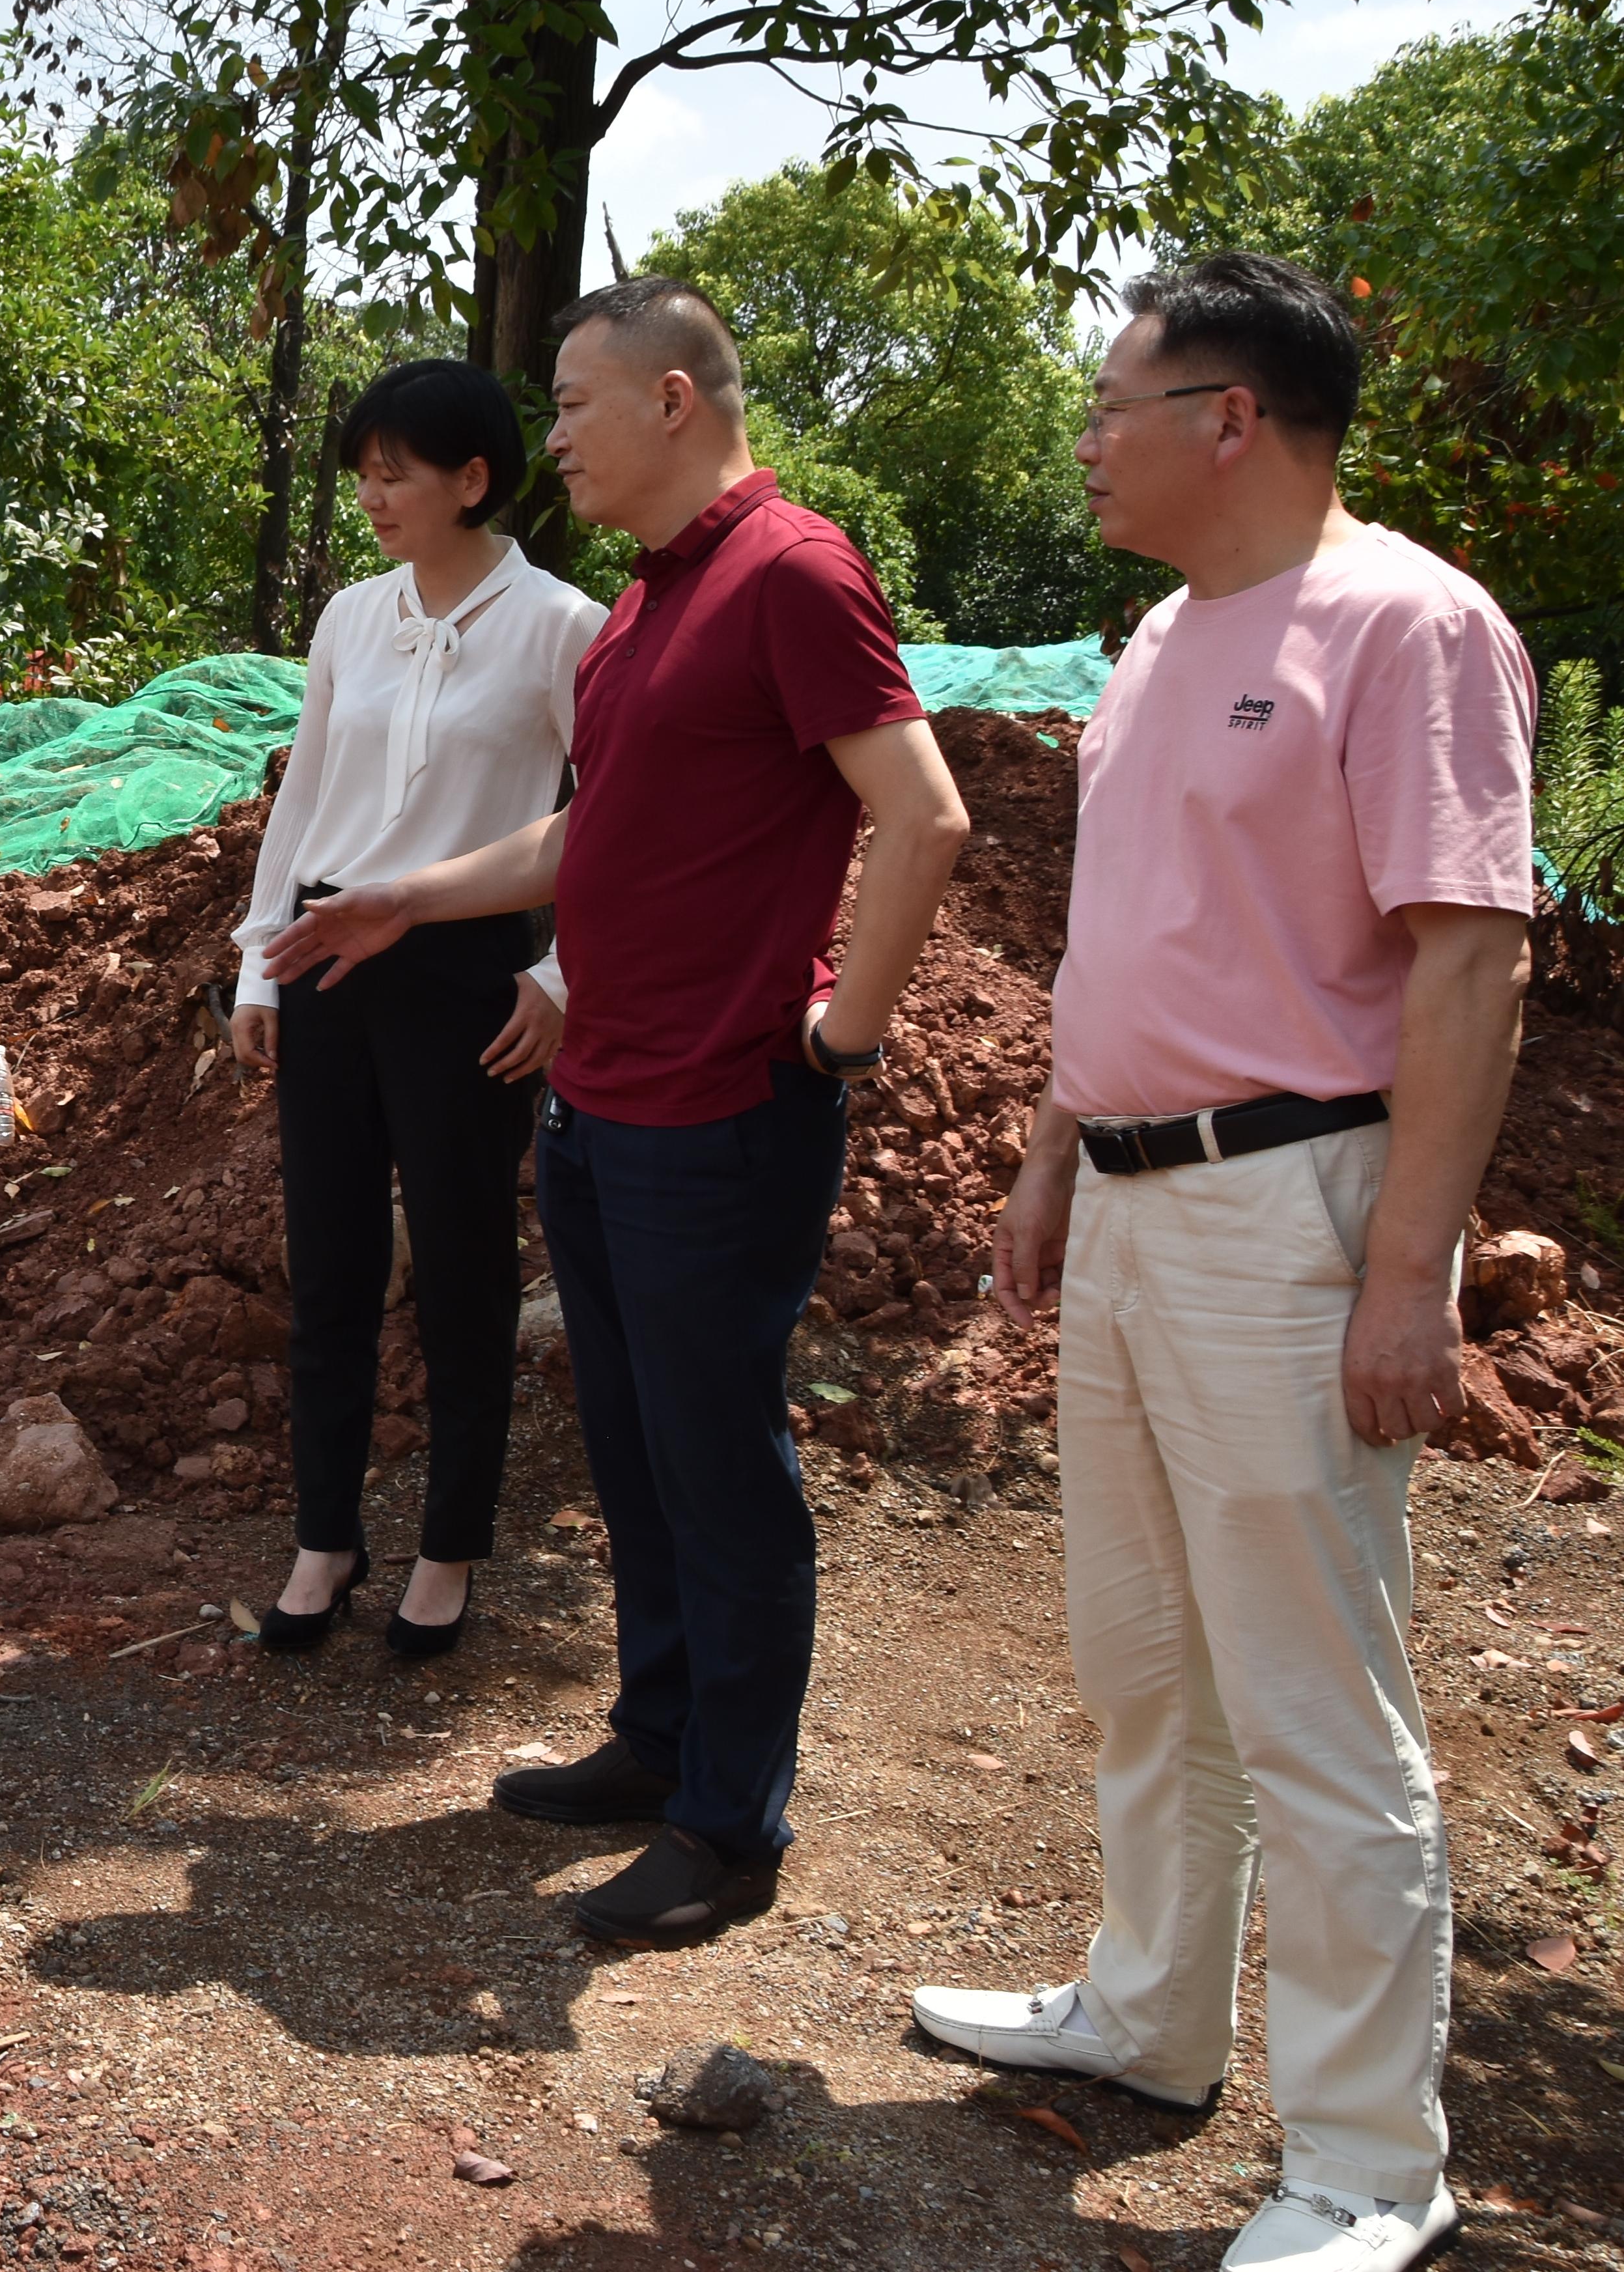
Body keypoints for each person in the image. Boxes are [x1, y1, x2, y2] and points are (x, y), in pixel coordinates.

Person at [912, 253, 1530, 2272]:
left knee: (1314, 1697)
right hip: (1132, 1199)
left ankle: (1369, 2163)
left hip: (1295, 1206)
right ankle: (1154, 2018)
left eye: (1111, 404)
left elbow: (1467, 954)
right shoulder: (1163, 639)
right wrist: (1046, 1162)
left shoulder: (1410, 626)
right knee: (1145, 1656)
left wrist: (1407, 1273)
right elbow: (1129, 941)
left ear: (1229, 418)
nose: (1084, 440)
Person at [273, 277, 968, 1945]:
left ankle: (731, 1823)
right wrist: (405, 901)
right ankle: (658, 1745)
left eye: (575, 407)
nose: (554, 436)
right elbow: (583, 843)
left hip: (722, 1106)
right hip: (604, 1102)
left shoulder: (792, 571)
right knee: (649, 1458)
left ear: (673, 400)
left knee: (723, 1467)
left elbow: (923, 815)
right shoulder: (657, 602)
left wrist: (840, 1034)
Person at [227, 359, 607, 1658]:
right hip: (329, 955)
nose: (374, 495)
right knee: (328, 1262)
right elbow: (305, 794)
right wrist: (257, 964)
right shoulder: (351, 617)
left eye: (397, 471)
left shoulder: (564, 626)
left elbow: (616, 822)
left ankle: (449, 1545)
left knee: (460, 1268)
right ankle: (325, 1534)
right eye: (365, 472)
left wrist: (562, 980)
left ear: (474, 478)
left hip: (466, 974)